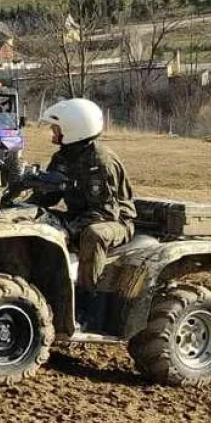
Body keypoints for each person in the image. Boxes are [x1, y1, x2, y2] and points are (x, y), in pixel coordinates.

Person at [35, 98, 135, 328]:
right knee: (38, 221)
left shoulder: (99, 161)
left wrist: (69, 229)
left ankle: (88, 304)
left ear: (74, 129)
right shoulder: (62, 156)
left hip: (115, 220)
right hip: (82, 215)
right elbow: (48, 196)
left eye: (57, 128)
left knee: (93, 235)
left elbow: (105, 211)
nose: (53, 132)